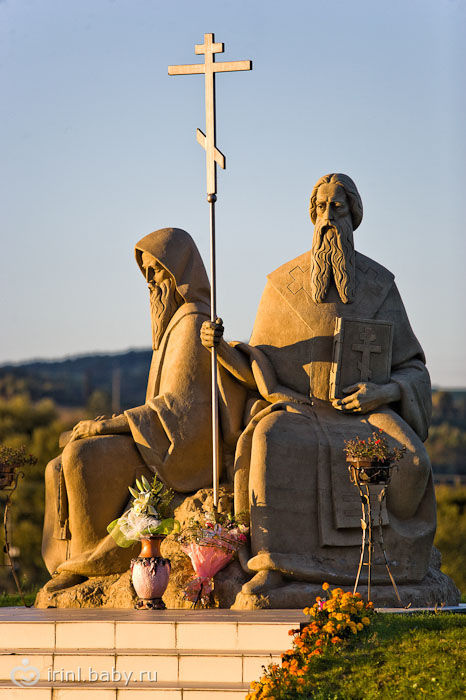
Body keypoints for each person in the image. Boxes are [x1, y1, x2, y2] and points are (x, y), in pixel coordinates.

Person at [201, 173, 436, 607]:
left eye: (337, 207)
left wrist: (383, 392)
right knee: (269, 439)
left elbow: (415, 369)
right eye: (322, 207)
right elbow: (257, 366)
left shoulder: (380, 286)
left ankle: (392, 567)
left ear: (353, 215)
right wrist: (220, 350)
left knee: (414, 460)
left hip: (365, 414)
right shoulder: (282, 284)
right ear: (313, 215)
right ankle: (273, 565)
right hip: (301, 410)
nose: (328, 216)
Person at [42, 227, 241, 592]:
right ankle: (66, 561)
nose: (149, 280)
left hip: (180, 454)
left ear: (179, 270)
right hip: (156, 440)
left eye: (157, 270)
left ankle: (86, 566)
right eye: (145, 271)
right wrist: (111, 423)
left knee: (82, 456)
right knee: (56, 465)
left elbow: (179, 411)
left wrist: (107, 427)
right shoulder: (170, 329)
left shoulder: (192, 322)